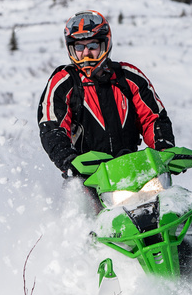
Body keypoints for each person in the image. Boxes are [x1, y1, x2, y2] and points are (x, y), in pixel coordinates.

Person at [37, 10, 175, 176]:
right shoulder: (64, 82)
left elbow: (153, 117)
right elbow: (52, 126)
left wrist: (164, 147)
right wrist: (67, 159)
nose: (86, 52)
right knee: (77, 201)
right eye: (79, 47)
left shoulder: (129, 76)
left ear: (105, 44)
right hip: (87, 175)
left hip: (134, 169)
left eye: (93, 45)